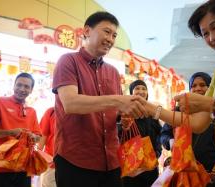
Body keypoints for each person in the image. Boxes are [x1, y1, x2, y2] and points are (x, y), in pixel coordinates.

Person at [142, 0, 215, 184]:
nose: (212, 37)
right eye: (205, 33)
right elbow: (198, 122)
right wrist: (153, 110)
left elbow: (207, 108)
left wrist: (209, 104)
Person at [52, 11, 147, 187]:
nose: (111, 39)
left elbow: (114, 111)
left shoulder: (113, 72)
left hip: (111, 160)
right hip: (75, 159)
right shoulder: (68, 61)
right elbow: (71, 103)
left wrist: (122, 117)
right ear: (87, 31)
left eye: (114, 35)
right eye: (106, 32)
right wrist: (118, 101)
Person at [0, 72, 41, 187]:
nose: (21, 89)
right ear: (13, 86)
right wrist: (10, 132)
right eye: (18, 85)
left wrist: (34, 137)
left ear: (31, 90)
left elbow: (38, 137)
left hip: (22, 169)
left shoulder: (31, 111)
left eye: (26, 86)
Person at [160, 72, 215, 172]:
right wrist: (171, 142)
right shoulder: (179, 111)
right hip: (183, 169)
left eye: (203, 85)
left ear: (210, 87)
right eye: (193, 86)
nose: (198, 88)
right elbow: (164, 134)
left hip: (210, 169)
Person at [118, 80, 162, 187]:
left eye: (144, 89)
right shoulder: (125, 112)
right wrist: (123, 126)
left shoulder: (152, 113)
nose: (141, 91)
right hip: (131, 164)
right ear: (131, 92)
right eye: (137, 88)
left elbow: (159, 134)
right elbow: (117, 134)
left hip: (149, 165)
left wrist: (157, 152)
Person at [38, 107, 56, 187]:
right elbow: (43, 135)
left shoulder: (81, 110)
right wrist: (37, 159)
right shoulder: (52, 111)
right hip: (51, 163)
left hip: (73, 164)